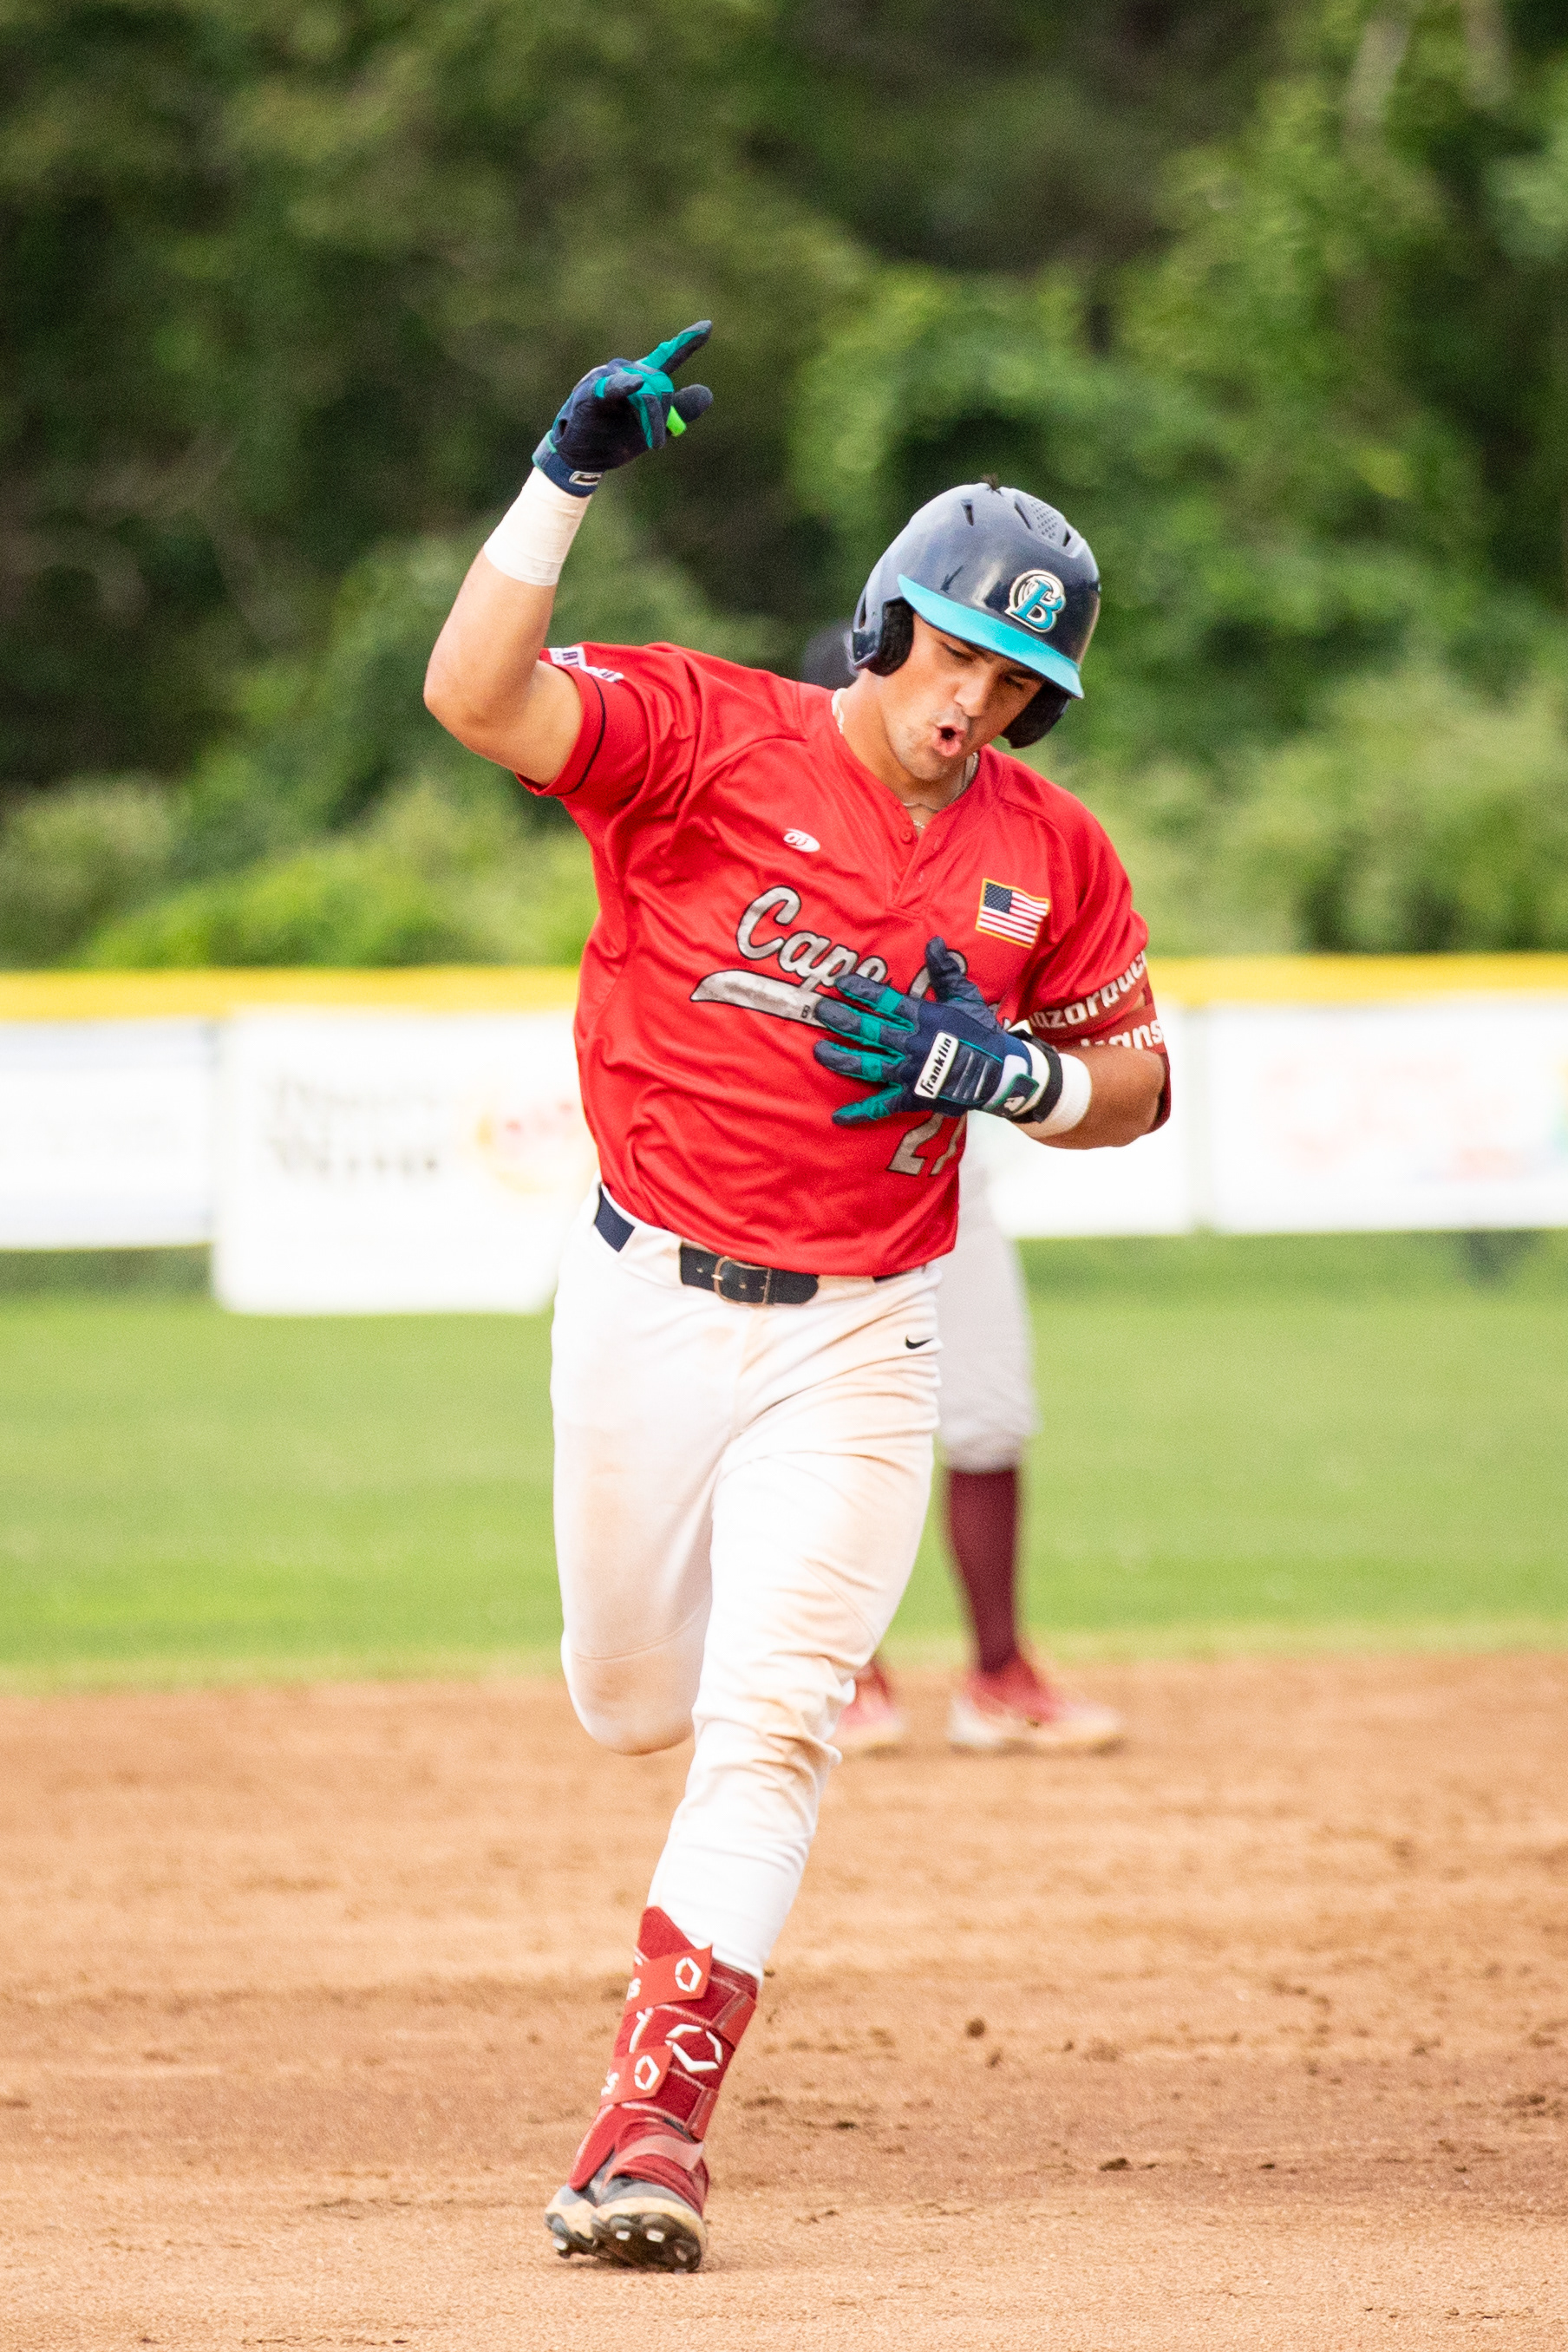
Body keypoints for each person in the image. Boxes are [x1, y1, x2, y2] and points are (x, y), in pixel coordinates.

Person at [424, 322, 1169, 2274]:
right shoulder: (695, 737)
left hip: (863, 1327)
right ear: (883, 620)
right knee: (628, 1704)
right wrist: (559, 483)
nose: (977, 695)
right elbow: (474, 697)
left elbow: (1139, 1083)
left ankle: (649, 2126)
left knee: (773, 1729)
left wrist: (1015, 1077)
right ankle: (652, 2002)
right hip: (646, 1304)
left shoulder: (1045, 856)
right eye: (953, 645)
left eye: (1019, 676)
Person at [799, 624, 1122, 1759]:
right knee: (817, 1439)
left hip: (949, 1179)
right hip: (805, 1193)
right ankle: (846, 1672)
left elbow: (1103, 1057)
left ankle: (998, 1675)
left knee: (989, 1412)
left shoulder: (1006, 838)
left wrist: (1009, 1062)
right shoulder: (788, 810)